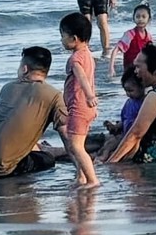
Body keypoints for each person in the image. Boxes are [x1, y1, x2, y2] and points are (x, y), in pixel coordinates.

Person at [0, 46, 68, 180]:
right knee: (47, 160)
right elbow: (66, 136)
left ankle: (42, 148)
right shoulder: (55, 96)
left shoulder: (7, 87)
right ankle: (48, 151)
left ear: (24, 69)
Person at [59, 12, 99, 189]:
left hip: (80, 106)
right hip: (86, 108)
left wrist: (89, 95)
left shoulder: (75, 59)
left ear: (74, 38)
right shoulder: (87, 54)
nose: (61, 40)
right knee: (79, 144)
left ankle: (92, 180)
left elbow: (82, 77)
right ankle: (81, 177)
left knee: (75, 146)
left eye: (62, 36)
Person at [94, 69, 146, 162]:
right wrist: (114, 126)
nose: (128, 94)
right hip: (124, 134)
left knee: (114, 144)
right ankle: (102, 154)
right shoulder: (129, 103)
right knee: (110, 142)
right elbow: (125, 120)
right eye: (126, 91)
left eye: (131, 90)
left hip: (133, 138)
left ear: (142, 87)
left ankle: (104, 156)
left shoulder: (146, 103)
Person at [109, 4, 154, 79]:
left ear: (149, 19)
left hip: (142, 71)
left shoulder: (149, 37)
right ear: (133, 18)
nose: (140, 19)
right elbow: (116, 50)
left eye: (143, 17)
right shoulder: (130, 34)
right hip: (130, 71)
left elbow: (151, 55)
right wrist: (111, 67)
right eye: (137, 16)